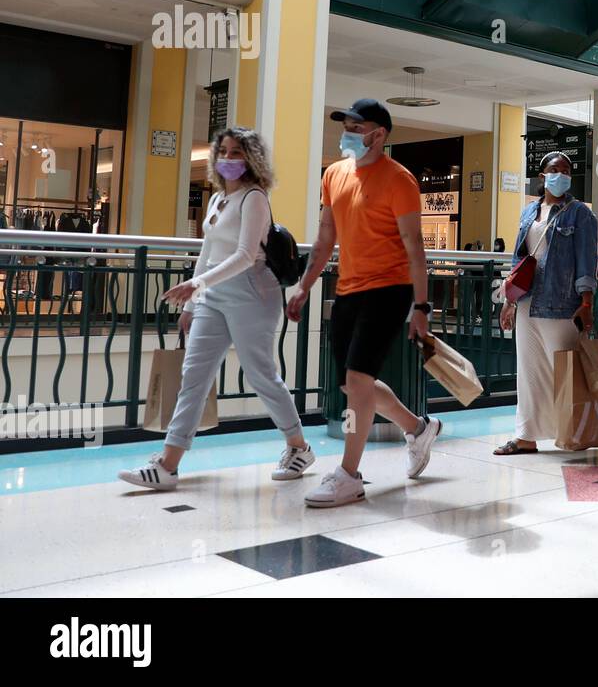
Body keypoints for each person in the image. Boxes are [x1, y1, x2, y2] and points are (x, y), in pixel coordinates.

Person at [120, 128, 313, 491]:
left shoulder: (255, 198)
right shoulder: (218, 200)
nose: (227, 158)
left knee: (260, 375)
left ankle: (299, 446)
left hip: (252, 294)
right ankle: (168, 464)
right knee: (193, 375)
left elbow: (244, 255)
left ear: (251, 158)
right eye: (223, 151)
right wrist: (195, 300)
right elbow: (207, 253)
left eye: (236, 152)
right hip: (213, 295)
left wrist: (198, 285)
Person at [287, 99, 441, 507]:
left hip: (391, 288)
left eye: (358, 126)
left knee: (357, 381)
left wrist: (422, 308)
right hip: (350, 289)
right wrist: (304, 285)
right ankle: (417, 427)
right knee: (353, 384)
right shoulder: (334, 174)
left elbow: (415, 249)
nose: (349, 133)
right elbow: (324, 238)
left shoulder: (400, 180)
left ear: (380, 134)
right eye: (346, 125)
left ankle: (349, 475)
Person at [494, 152, 598, 455]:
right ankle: (526, 436)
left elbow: (587, 261)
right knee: (529, 371)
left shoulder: (580, 213)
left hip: (562, 303)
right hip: (527, 302)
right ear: (543, 175)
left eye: (566, 170)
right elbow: (519, 261)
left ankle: (576, 432)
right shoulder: (529, 212)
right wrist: (508, 302)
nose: (561, 175)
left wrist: (587, 302)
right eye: (555, 170)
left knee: (566, 373)